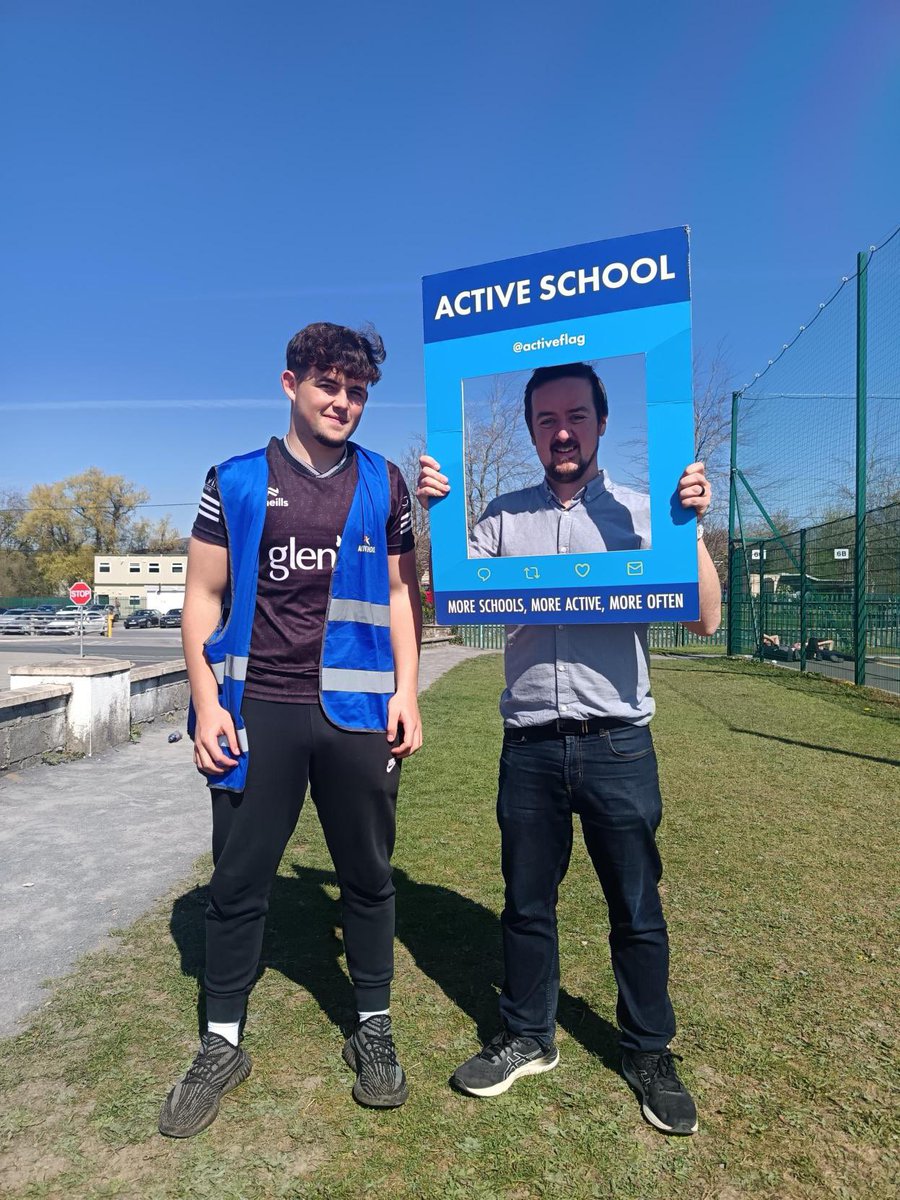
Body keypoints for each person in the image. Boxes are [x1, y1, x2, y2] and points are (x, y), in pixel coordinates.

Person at [417, 362, 721, 1136]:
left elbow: (707, 620)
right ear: (530, 430)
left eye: (576, 415)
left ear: (600, 422)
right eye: (546, 418)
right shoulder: (499, 516)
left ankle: (649, 1051)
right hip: (528, 744)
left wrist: (693, 529)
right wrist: (438, 518)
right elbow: (440, 595)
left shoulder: (643, 512)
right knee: (525, 904)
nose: (562, 431)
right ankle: (527, 1035)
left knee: (636, 908)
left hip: (618, 741)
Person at [159, 323, 422, 1137]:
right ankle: (222, 1041)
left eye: (357, 391)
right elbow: (202, 599)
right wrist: (204, 703)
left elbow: (404, 596)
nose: (343, 402)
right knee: (237, 882)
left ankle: (372, 1029)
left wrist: (408, 691)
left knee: (369, 876)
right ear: (291, 384)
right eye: (328, 386)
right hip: (256, 710)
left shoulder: (386, 481)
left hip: (357, 713)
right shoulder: (234, 479)